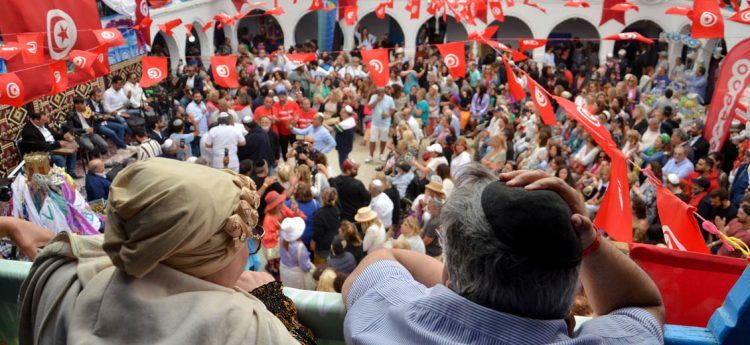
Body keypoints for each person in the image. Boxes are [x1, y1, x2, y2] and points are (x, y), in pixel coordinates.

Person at [342, 166, 665, 344]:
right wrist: (589, 240)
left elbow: (383, 259)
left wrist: (459, 280)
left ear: (447, 278)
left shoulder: (384, 321)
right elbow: (641, 306)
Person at [18, 158, 313, 344]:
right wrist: (271, 302)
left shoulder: (61, 277)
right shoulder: (241, 324)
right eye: (247, 239)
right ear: (208, 257)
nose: (250, 246)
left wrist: (11, 225)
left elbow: (87, 248)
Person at [20, 111, 78, 177]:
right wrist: (58, 144)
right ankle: (63, 178)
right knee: (59, 159)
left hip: (54, 147)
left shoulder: (43, 124)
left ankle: (70, 173)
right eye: (43, 121)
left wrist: (63, 136)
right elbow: (41, 147)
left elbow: (54, 134)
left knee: (73, 149)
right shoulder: (28, 132)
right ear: (36, 120)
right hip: (42, 153)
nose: (45, 122)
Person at [279, 217, 315, 290]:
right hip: (296, 275)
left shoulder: (282, 235)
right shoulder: (300, 247)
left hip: (283, 269)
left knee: (287, 289)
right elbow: (305, 267)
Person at [366, 87, 396, 163]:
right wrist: (377, 101)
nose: (380, 93)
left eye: (382, 91)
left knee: (383, 140)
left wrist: (388, 114)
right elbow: (369, 107)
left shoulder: (389, 99)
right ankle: (370, 156)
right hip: (375, 123)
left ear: (384, 91)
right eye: (378, 91)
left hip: (385, 123)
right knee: (372, 140)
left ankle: (381, 154)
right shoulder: (373, 97)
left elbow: (393, 109)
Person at [312, 188, 341, 263]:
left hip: (323, 245)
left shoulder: (319, 213)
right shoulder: (337, 208)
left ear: (322, 198)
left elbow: (318, 232)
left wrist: (313, 241)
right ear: (335, 197)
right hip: (335, 240)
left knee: (321, 263)